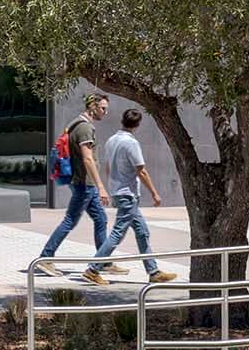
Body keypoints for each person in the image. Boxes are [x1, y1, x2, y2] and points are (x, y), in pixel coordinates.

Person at [83, 109, 178, 285]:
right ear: (138, 124)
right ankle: (93, 269)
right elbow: (141, 171)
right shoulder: (131, 143)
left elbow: (108, 167)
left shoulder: (112, 140)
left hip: (119, 192)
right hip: (128, 194)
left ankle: (154, 271)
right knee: (118, 234)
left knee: (142, 232)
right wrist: (155, 193)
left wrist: (110, 188)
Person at [36, 93, 124, 277]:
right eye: (102, 108)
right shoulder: (84, 128)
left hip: (83, 183)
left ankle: (103, 261)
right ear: (92, 106)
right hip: (85, 184)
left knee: (100, 219)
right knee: (70, 221)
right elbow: (88, 159)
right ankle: (46, 257)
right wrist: (101, 186)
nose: (105, 112)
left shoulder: (76, 123)